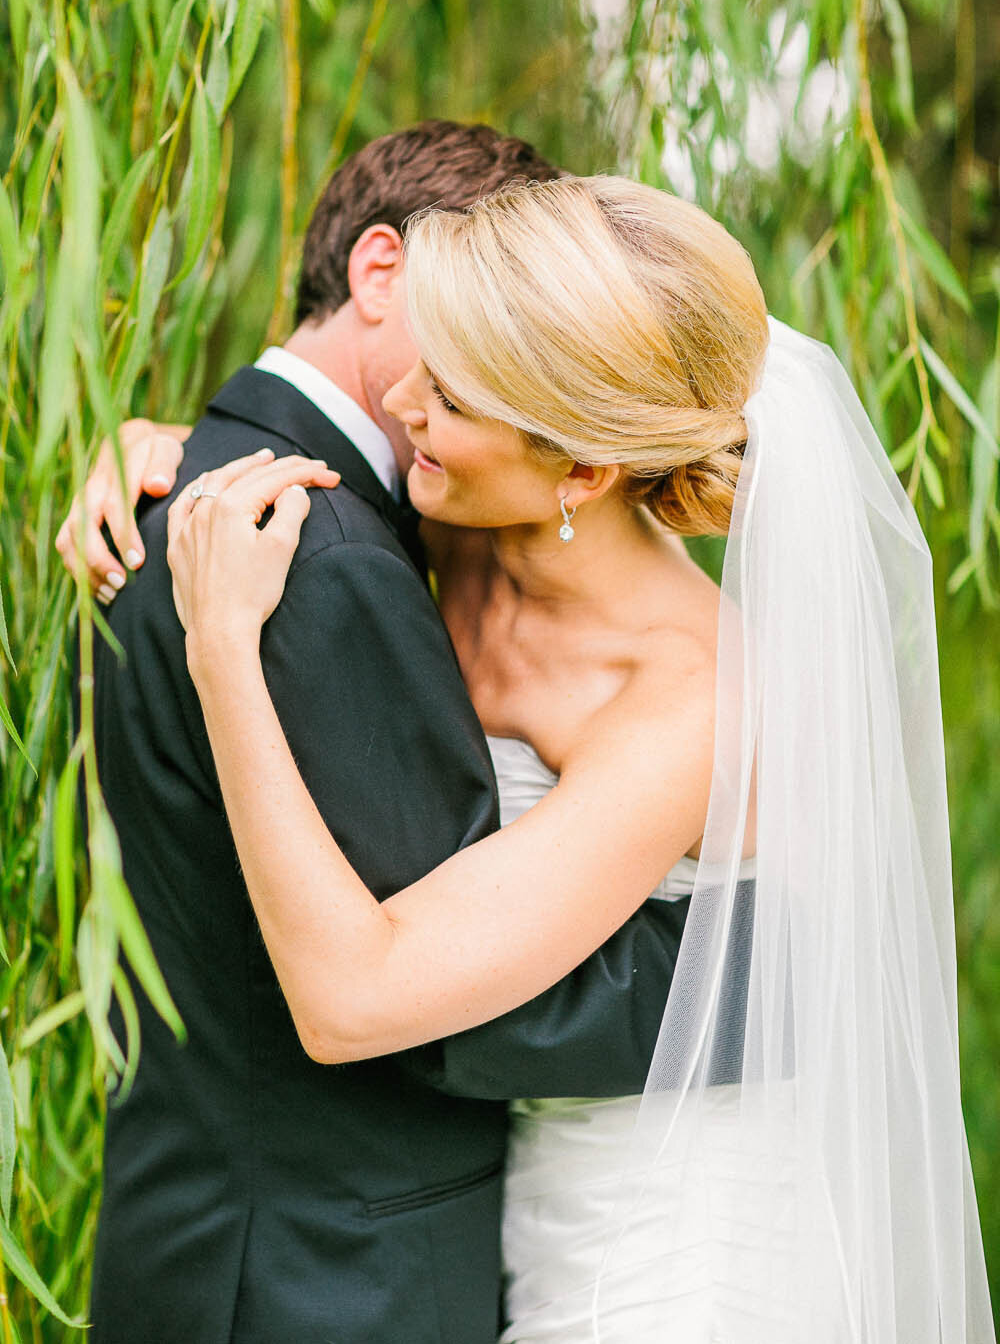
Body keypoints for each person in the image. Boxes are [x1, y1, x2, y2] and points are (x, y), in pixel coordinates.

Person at [77, 174, 995, 1340]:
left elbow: (355, 997)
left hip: (668, 1233)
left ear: (580, 473)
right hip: (515, 1200)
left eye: (448, 393)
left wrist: (222, 657)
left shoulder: (687, 700)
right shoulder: (477, 529)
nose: (399, 400)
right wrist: (174, 453)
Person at [59, 129, 700, 1344]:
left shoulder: (201, 492)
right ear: (381, 274)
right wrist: (741, 975)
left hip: (208, 1243)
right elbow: (412, 989)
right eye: (478, 310)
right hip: (324, 1278)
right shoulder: (325, 556)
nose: (427, 394)